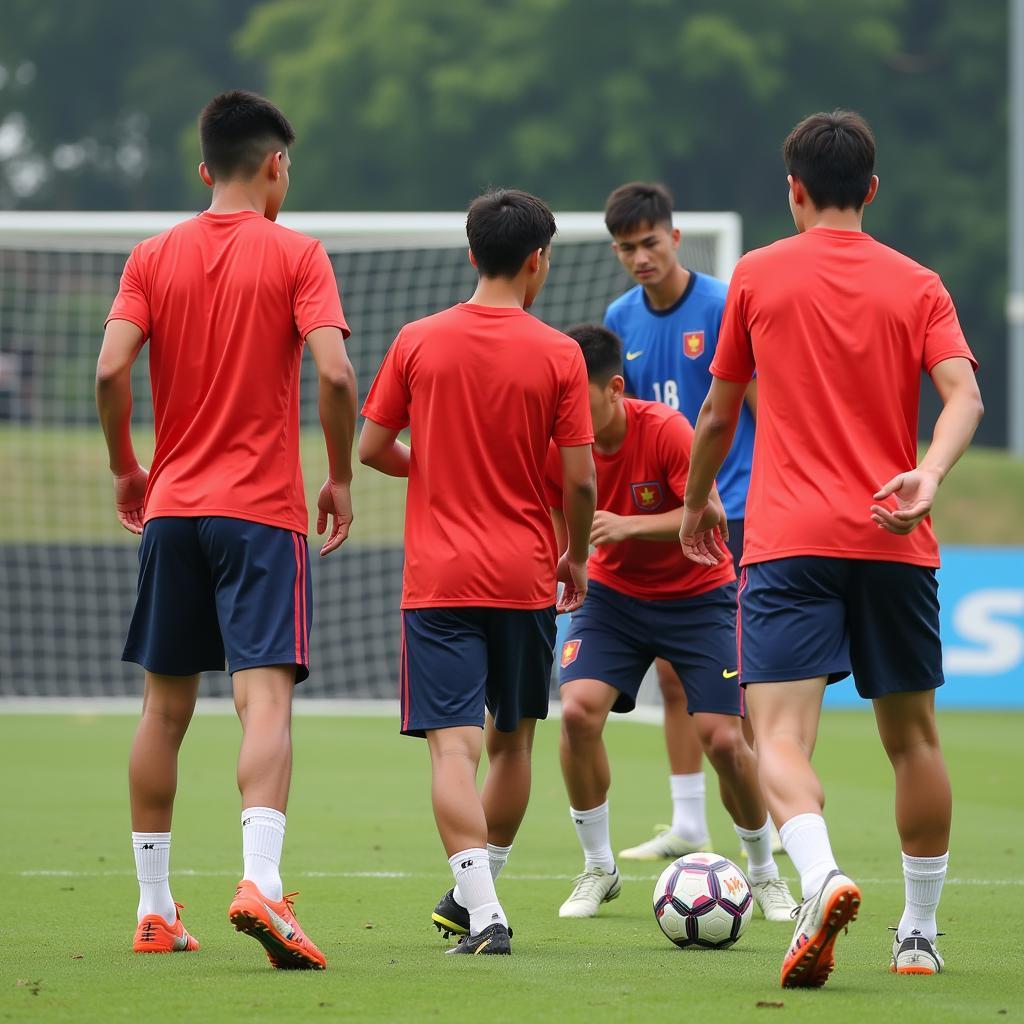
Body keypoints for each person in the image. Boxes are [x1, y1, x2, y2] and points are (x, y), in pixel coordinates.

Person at [680, 109, 983, 987]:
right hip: (895, 536)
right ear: (873, 190)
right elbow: (963, 394)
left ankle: (819, 878)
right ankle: (919, 935)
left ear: (795, 191)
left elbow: (718, 411)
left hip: (788, 542)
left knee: (776, 737)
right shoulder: (918, 282)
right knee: (913, 739)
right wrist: (927, 473)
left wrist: (698, 504)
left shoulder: (758, 276)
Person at [96, 90, 357, 970]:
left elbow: (108, 370)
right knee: (265, 698)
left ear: (205, 169)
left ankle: (154, 909)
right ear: (276, 164)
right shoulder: (297, 253)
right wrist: (341, 476)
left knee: (163, 711)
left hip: (171, 509)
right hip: (259, 514)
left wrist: (128, 468)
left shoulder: (150, 253)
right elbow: (336, 372)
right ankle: (259, 882)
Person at [358, 189, 597, 956]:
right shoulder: (560, 353)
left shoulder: (418, 341)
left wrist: (426, 467)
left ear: (470, 254)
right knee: (514, 744)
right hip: (525, 574)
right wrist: (578, 556)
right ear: (537, 260)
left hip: (439, 580)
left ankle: (481, 907)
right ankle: (482, 894)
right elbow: (581, 482)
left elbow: (369, 448)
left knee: (451, 751)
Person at [549, 324, 795, 923]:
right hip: (611, 599)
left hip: (698, 599)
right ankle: (598, 868)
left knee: (723, 741)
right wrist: (570, 562)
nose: (566, 411)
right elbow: (561, 512)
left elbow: (708, 513)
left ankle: (764, 874)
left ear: (614, 389)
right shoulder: (557, 444)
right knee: (579, 712)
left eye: (576, 396)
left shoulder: (664, 429)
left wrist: (628, 525)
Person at [602, 182, 770, 862]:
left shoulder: (725, 304)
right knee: (670, 675)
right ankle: (689, 821)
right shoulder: (620, 316)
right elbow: (628, 424)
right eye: (626, 248)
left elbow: (763, 404)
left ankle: (774, 809)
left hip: (737, 508)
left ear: (674, 237)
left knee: (743, 672)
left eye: (649, 242)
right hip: (670, 512)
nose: (640, 257)